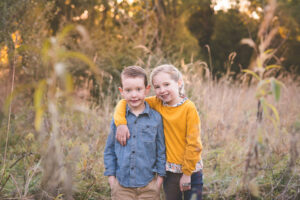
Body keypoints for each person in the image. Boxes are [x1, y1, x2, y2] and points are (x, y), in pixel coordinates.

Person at [113, 64, 203, 200]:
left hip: (191, 170)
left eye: (167, 84)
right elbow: (124, 102)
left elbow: (194, 143)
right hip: (170, 171)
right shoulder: (157, 103)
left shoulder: (189, 108)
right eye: (157, 87)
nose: (162, 90)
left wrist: (187, 173)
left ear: (179, 83)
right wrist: (121, 124)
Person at [104, 66, 166, 200]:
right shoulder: (118, 120)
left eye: (138, 89)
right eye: (128, 90)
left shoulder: (156, 118)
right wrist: (112, 180)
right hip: (121, 187)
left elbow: (161, 151)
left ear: (147, 90)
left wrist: (159, 181)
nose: (134, 95)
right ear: (122, 91)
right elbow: (109, 150)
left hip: (149, 186)